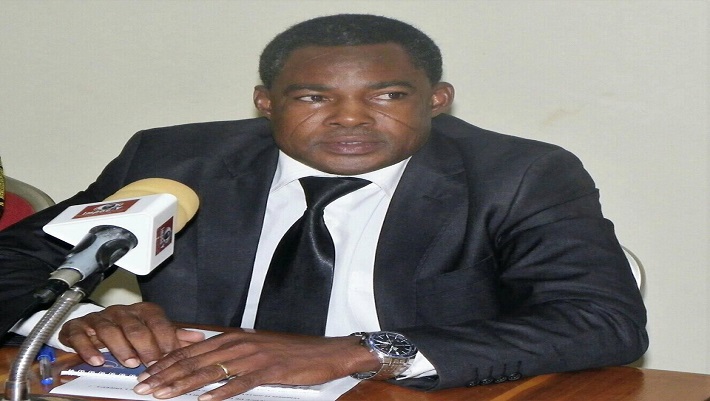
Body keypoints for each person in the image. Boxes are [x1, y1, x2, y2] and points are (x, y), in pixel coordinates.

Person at [0, 14, 647, 400]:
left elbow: (601, 322)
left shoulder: (518, 175)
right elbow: (16, 263)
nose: (349, 118)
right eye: (313, 97)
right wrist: (76, 319)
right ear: (265, 102)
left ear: (437, 99)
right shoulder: (178, 161)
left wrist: (360, 351)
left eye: (387, 95)